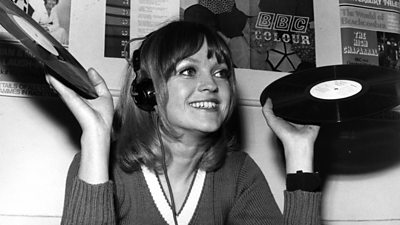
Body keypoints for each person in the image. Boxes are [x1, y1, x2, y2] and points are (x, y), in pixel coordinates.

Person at [47, 20, 321, 224]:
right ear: (147, 91)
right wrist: (96, 136)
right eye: (188, 71)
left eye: (220, 72)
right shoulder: (102, 166)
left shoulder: (239, 173)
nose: (211, 84)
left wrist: (299, 152)